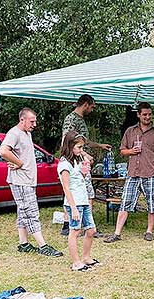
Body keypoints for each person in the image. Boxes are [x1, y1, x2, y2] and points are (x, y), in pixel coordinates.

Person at [0, 108, 63, 257]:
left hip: (27, 180)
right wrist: (19, 163)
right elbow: (3, 151)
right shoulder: (14, 133)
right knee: (31, 212)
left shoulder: (26, 133)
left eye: (35, 121)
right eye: (31, 121)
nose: (34, 124)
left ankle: (24, 244)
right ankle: (43, 245)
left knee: (23, 212)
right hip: (20, 181)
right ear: (22, 120)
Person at [104, 102, 154, 243]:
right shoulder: (130, 131)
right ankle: (117, 233)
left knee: (152, 204)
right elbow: (122, 150)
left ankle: (149, 231)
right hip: (133, 173)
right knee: (125, 202)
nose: (147, 117)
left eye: (149, 114)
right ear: (138, 115)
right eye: (144, 114)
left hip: (152, 173)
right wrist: (131, 151)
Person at [60, 94, 112, 236]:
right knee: (85, 192)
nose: (92, 110)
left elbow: (84, 142)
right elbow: (67, 142)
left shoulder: (80, 120)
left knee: (85, 191)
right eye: (92, 106)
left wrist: (100, 146)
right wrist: (85, 155)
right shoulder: (71, 119)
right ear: (86, 104)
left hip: (81, 161)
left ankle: (74, 224)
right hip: (75, 162)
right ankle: (84, 225)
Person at [58, 131, 100, 271]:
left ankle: (86, 257)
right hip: (74, 203)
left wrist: (84, 167)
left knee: (91, 230)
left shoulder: (76, 160)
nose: (82, 150)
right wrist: (73, 208)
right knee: (75, 231)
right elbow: (66, 187)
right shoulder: (64, 164)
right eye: (79, 147)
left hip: (83, 201)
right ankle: (76, 262)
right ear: (70, 146)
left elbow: (80, 177)